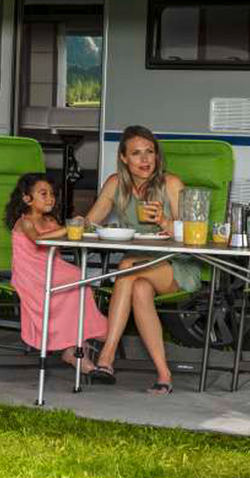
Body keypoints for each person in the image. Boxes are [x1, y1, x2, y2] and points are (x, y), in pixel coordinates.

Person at [81, 125, 199, 394]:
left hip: (176, 264)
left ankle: (106, 358)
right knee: (139, 288)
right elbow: (90, 223)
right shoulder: (115, 184)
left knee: (126, 267)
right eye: (136, 153)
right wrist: (76, 224)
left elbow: (192, 234)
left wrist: (163, 220)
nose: (145, 160)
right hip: (138, 267)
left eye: (150, 152)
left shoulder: (171, 184)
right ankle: (164, 375)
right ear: (123, 157)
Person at [5, 172, 109, 372]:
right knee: (75, 279)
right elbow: (38, 240)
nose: (50, 198)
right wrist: (68, 227)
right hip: (31, 275)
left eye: (52, 194)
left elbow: (62, 239)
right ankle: (85, 337)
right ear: (27, 198)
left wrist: (81, 230)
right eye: (43, 194)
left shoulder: (51, 222)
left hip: (52, 267)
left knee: (78, 278)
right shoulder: (25, 221)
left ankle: (75, 345)